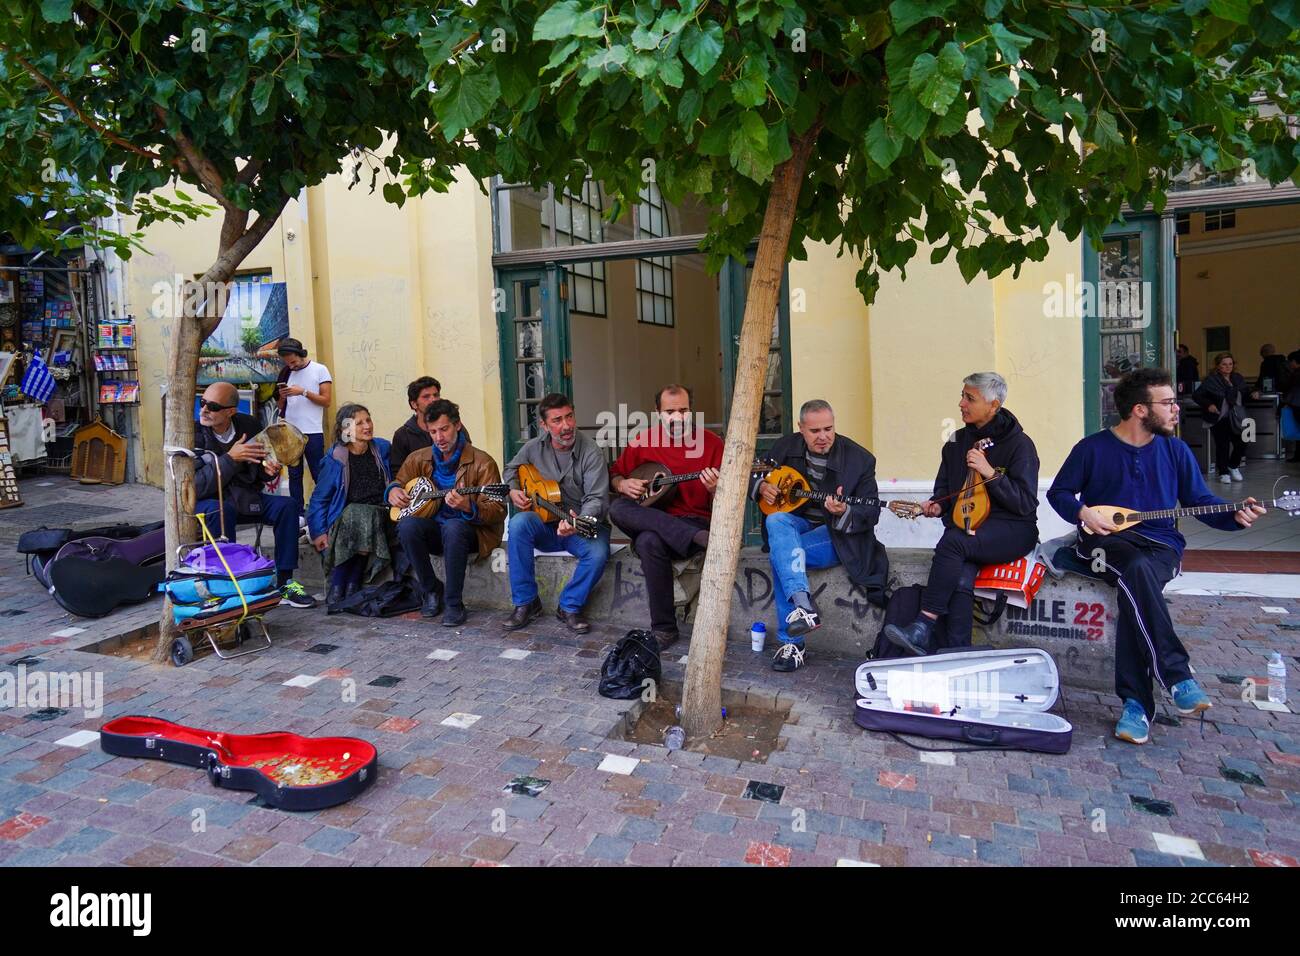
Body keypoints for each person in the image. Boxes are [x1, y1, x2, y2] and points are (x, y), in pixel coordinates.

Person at [1048, 367, 1265, 745]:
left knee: (1139, 578)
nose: (1177, 409)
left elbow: (1200, 502)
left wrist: (1234, 515)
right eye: (1167, 403)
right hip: (1104, 545)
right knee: (1135, 568)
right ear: (1139, 410)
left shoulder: (1176, 450)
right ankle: (1176, 676)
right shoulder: (1092, 448)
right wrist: (1083, 513)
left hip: (1161, 544)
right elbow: (1060, 493)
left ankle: (1137, 704)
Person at [884, 373, 1040, 656]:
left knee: (954, 543)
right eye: (963, 396)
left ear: (993, 405)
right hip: (969, 529)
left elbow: (1025, 503)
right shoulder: (956, 442)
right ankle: (958, 654)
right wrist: (937, 506)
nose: (961, 403)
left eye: (970, 398)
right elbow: (945, 490)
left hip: (1013, 528)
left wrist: (989, 472)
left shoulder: (1020, 445)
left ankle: (923, 624)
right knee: (960, 577)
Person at [751, 399, 887, 672]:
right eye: (815, 431)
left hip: (837, 537)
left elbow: (871, 512)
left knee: (783, 556)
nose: (823, 437)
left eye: (828, 428)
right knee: (777, 520)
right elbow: (752, 473)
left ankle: (793, 642)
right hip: (797, 526)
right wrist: (761, 485)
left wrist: (844, 509)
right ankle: (804, 607)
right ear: (801, 428)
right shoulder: (785, 447)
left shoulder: (859, 459)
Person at [608, 384, 722, 650]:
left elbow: (729, 501)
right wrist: (623, 484)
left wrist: (716, 489)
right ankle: (665, 630)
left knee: (648, 541)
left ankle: (663, 629)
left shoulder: (712, 444)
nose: (677, 417)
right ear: (657, 412)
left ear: (691, 411)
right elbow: (615, 473)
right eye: (670, 411)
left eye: (683, 410)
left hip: (695, 521)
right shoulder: (642, 442)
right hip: (658, 517)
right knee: (617, 509)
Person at [192, 381, 316, 608]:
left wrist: (269, 470)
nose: (204, 410)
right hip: (209, 503)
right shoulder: (193, 434)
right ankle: (229, 585)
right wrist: (230, 458)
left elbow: (259, 471)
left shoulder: (248, 425)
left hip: (245, 498)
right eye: (202, 403)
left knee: (287, 507)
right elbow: (196, 487)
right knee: (222, 510)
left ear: (231, 411)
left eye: (212, 406)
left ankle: (285, 582)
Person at [387, 399, 505, 626]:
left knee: (454, 527)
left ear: (457, 425)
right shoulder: (418, 458)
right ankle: (431, 590)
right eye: (433, 432)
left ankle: (453, 602)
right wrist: (392, 492)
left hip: (473, 532)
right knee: (408, 526)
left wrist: (468, 506)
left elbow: (499, 510)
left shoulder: (482, 462)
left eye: (444, 429)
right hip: (435, 530)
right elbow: (399, 482)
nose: (439, 438)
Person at [503, 393, 610, 634]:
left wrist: (577, 521)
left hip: (581, 527)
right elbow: (510, 469)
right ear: (544, 425)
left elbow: (596, 499)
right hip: (545, 523)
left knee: (598, 553)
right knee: (519, 523)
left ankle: (569, 606)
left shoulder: (591, 452)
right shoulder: (533, 448)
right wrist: (514, 490)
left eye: (569, 417)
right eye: (557, 420)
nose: (566, 426)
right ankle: (526, 602)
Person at [306, 404, 394, 607]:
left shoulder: (382, 449)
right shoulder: (336, 458)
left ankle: (340, 585)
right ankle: (349, 586)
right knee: (356, 514)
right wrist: (318, 531)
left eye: (368, 420)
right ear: (346, 429)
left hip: (380, 514)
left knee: (361, 514)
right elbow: (320, 498)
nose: (367, 426)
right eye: (359, 423)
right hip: (348, 519)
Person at [276, 337, 332, 517]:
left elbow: (326, 401)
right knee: (294, 475)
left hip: (312, 431)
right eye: (287, 362)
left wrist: (303, 392)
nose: (291, 365)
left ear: (301, 354)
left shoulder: (319, 370)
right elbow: (279, 406)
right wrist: (283, 396)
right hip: (290, 431)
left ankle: (325, 510)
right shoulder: (286, 373)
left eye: (293, 361)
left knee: (318, 473)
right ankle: (297, 514)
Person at [1192, 352, 1252, 484]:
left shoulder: (1237, 378)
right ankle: (1223, 472)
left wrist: (1255, 393)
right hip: (1220, 417)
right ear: (1218, 366)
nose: (1228, 367)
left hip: (1238, 416)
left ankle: (1233, 465)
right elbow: (1197, 395)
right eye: (1224, 364)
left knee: (1244, 440)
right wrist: (1209, 405)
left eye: (1230, 364)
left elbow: (1246, 392)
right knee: (1222, 445)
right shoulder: (1212, 380)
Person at [390, 377, 441, 475]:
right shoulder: (402, 435)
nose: (433, 400)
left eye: (436, 395)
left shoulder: (452, 427)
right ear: (414, 404)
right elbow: (398, 473)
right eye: (426, 396)